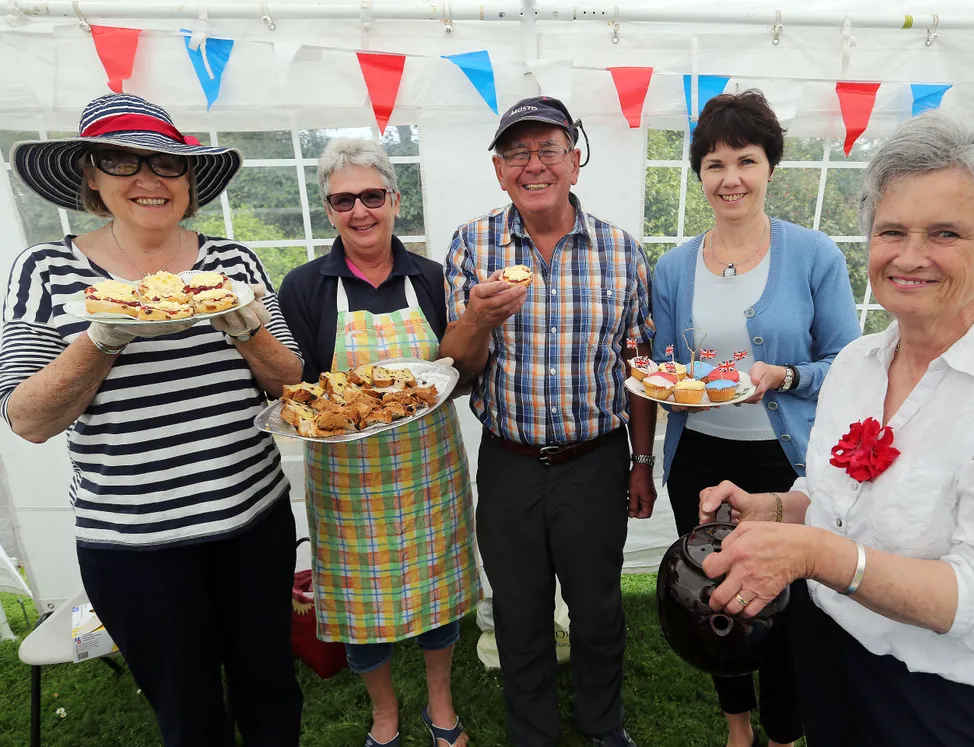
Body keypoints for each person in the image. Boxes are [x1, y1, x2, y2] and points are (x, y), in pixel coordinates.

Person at [698, 110, 974, 747]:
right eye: (891, 230)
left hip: (951, 699)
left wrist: (812, 554)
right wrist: (778, 507)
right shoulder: (858, 364)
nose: (910, 256)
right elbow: (836, 496)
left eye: (946, 233)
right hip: (833, 652)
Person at [0, 94, 304, 745]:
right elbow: (26, 417)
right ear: (90, 175)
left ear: (188, 179)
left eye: (166, 163)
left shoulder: (235, 263)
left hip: (253, 524)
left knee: (271, 688)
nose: (148, 178)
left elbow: (292, 384)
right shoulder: (45, 270)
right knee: (187, 712)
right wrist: (102, 336)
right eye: (121, 160)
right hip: (135, 546)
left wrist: (246, 326)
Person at [440, 96, 657, 747]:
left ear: (575, 161)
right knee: (517, 607)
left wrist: (641, 461)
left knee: (595, 606)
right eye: (517, 152)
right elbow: (458, 369)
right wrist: (478, 317)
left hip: (594, 460)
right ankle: (531, 731)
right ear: (500, 170)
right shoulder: (473, 245)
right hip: (508, 461)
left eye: (548, 149)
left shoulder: (620, 251)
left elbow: (639, 365)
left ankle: (601, 722)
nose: (534, 164)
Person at [651, 91, 860, 747]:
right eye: (714, 163)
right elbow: (665, 370)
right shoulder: (674, 266)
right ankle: (737, 726)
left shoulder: (813, 255)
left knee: (784, 605)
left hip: (785, 463)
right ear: (700, 174)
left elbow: (847, 362)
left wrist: (786, 376)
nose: (730, 177)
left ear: (770, 166)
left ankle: (782, 733)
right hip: (701, 460)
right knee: (714, 596)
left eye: (745, 159)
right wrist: (669, 382)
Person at [278, 138, 480, 747]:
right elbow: (301, 390)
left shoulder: (434, 278)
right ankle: (385, 711)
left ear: (395, 199)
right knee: (362, 611)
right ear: (328, 208)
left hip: (428, 470)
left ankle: (439, 703)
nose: (360, 211)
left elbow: (459, 373)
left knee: (437, 592)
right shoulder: (307, 286)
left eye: (372, 195)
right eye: (344, 200)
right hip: (348, 483)